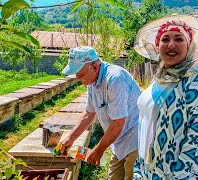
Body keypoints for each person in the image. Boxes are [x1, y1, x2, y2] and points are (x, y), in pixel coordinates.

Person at [133, 14, 198, 179]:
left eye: (179, 39)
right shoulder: (159, 79)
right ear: (157, 46)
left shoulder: (197, 86)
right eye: (165, 39)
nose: (171, 44)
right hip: (146, 171)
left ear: (189, 46)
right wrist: (138, 170)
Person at [60, 46, 141, 180]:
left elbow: (119, 121)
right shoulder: (92, 82)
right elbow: (89, 113)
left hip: (134, 140)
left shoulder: (115, 79)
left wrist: (98, 150)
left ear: (95, 66)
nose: (78, 79)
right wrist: (71, 138)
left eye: (80, 74)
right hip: (118, 142)